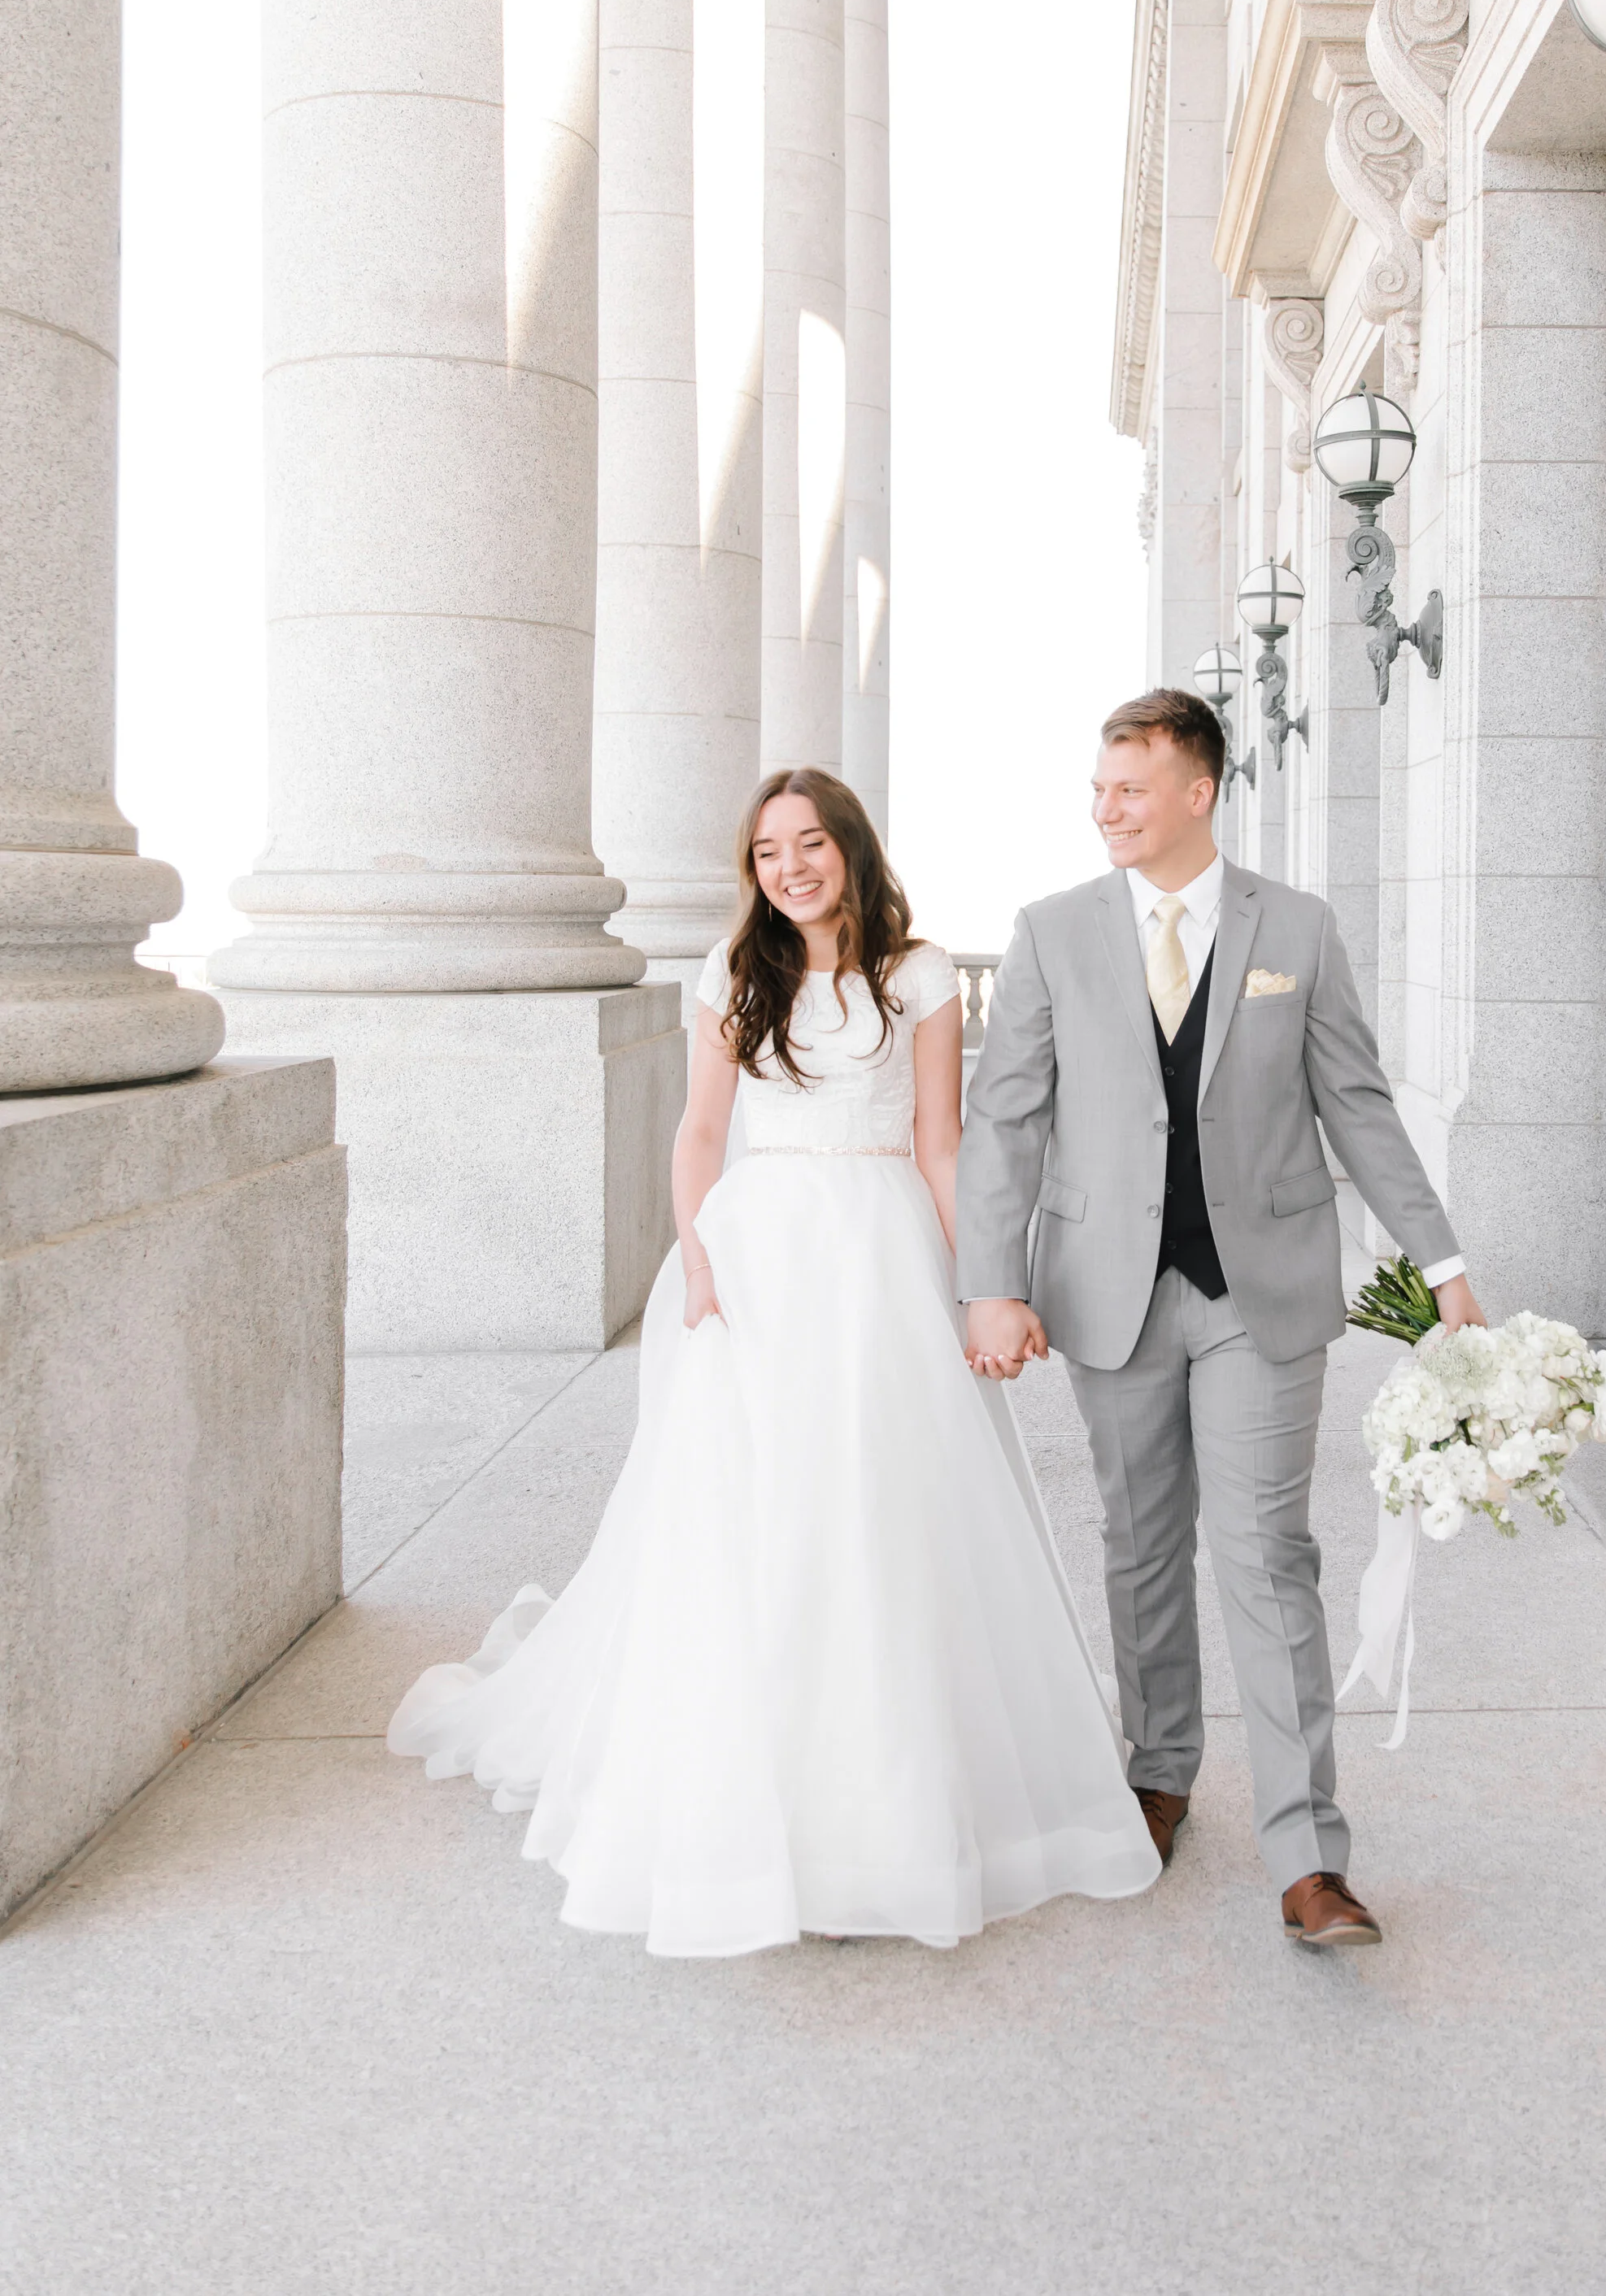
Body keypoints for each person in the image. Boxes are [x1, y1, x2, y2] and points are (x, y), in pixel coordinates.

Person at [388, 767, 1159, 1955]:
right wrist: (698, 1264)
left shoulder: (919, 975)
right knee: (758, 1517)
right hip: (759, 1260)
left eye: (809, 843)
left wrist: (984, 1287)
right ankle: (754, 1796)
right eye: (766, 852)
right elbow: (700, 1131)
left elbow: (941, 1143)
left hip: (885, 1254)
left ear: (850, 846)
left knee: (884, 1510)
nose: (790, 867)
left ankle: (888, 1803)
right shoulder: (732, 974)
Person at [956, 689, 1483, 1952]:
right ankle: (1159, 1774)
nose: (1107, 809)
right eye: (1098, 788)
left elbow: (1355, 1103)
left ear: (1199, 790)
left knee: (1264, 1553)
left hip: (1262, 1290)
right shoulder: (1052, 932)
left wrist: (1443, 1257)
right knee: (1140, 1543)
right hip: (1105, 1287)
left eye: (1130, 788)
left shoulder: (1294, 926)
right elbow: (1007, 1115)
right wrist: (991, 1277)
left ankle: (1309, 1856)